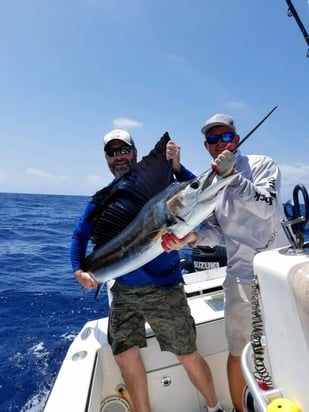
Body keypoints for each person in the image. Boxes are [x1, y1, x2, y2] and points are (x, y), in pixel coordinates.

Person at [70, 129, 225, 412]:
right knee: (124, 355)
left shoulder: (162, 188)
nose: (119, 157)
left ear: (135, 151)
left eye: (124, 150)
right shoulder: (102, 199)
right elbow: (79, 237)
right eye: (112, 152)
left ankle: (215, 408)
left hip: (165, 289)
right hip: (125, 292)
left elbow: (192, 189)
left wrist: (176, 167)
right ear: (106, 158)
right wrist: (77, 271)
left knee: (187, 354)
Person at [161, 114, 288, 412]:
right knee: (240, 353)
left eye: (226, 137)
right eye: (213, 140)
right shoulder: (210, 184)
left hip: (278, 272)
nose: (220, 144)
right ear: (206, 146)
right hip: (241, 279)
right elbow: (215, 233)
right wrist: (191, 238)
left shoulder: (263, 164)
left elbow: (269, 207)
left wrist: (234, 179)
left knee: (287, 341)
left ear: (237, 140)